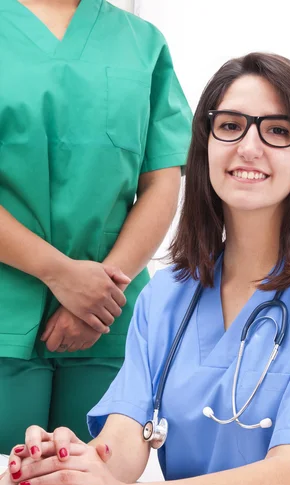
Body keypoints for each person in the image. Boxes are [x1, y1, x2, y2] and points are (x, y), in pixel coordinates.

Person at [6, 52, 290, 485]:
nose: (249, 147)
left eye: (278, 131)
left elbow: (287, 478)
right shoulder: (167, 294)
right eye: (230, 126)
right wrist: (70, 467)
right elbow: (125, 440)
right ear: (205, 146)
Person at [0, 0, 192, 451]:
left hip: (108, 322)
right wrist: (61, 274)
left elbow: (162, 179)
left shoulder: (143, 44)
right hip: (7, 311)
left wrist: (103, 295)